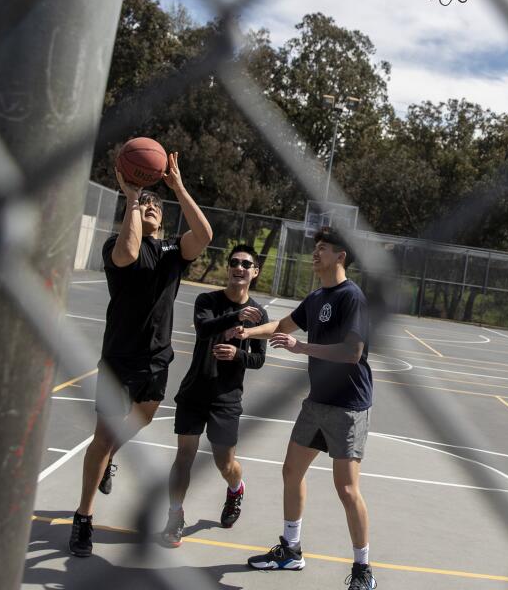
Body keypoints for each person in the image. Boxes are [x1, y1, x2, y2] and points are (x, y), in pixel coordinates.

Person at [69, 152, 213, 558]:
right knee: (102, 435)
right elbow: (128, 254)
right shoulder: (118, 244)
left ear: (163, 220)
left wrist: (177, 187)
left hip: (156, 359)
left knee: (145, 416)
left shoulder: (172, 252)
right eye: (143, 205)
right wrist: (132, 196)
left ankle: (111, 453)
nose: (149, 207)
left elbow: (204, 235)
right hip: (119, 358)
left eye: (154, 206)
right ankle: (83, 518)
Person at [237, 227, 377, 590]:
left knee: (346, 490)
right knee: (291, 472)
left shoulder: (352, 297)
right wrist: (247, 333)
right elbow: (282, 326)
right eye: (315, 248)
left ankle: (363, 569)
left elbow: (352, 353)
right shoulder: (316, 298)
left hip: (348, 406)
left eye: (323, 248)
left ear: (341, 256)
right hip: (317, 403)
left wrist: (302, 349)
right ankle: (291, 549)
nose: (315, 253)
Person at [158, 243, 268, 547]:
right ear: (228, 268)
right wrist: (235, 319)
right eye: (235, 262)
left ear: (255, 272)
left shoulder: (259, 315)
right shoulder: (207, 300)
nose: (239, 268)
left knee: (224, 463)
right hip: (194, 392)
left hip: (226, 398)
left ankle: (236, 489)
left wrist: (237, 355)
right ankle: (175, 514)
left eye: (247, 264)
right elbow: (204, 329)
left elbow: (258, 360)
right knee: (184, 457)